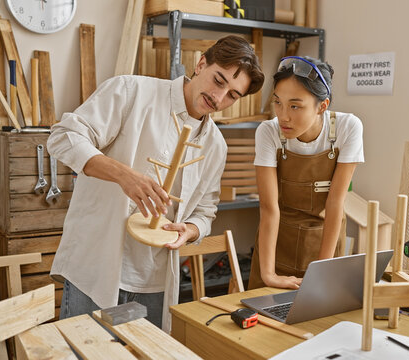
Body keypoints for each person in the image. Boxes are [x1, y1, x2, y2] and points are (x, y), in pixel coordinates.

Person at [47, 35, 264, 332]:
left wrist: (189, 230)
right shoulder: (131, 91)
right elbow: (62, 137)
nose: (219, 97)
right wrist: (123, 175)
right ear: (201, 64)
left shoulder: (215, 145)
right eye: (218, 80)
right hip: (96, 268)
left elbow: (205, 210)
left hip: (155, 281)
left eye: (232, 95)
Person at [248, 56, 364, 290]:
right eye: (277, 102)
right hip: (277, 243)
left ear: (322, 106)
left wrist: (321, 271)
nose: (283, 116)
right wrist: (269, 274)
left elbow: (335, 203)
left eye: (295, 106)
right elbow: (269, 208)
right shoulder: (268, 132)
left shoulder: (348, 128)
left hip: (324, 244)